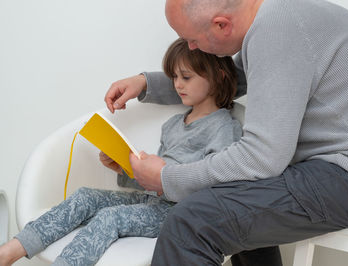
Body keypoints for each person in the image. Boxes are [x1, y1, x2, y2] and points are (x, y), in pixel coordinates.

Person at [102, 0, 348, 265]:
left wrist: (167, 179)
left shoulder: (277, 28)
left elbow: (261, 159)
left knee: (193, 220)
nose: (191, 48)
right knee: (231, 202)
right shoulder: (281, 15)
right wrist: (146, 84)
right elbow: (228, 81)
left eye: (192, 40)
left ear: (221, 25)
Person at [0, 38, 242, 266]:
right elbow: (154, 184)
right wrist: (127, 171)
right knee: (85, 197)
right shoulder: (173, 125)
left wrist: (167, 176)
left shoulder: (222, 127)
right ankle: (10, 251)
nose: (177, 84)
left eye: (186, 77)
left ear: (218, 77)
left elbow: (219, 186)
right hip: (152, 202)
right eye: (175, 77)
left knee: (110, 217)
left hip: (179, 212)